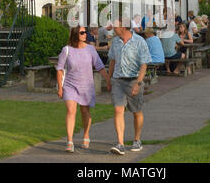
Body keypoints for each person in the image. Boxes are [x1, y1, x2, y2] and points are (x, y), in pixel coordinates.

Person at [56, 25, 110, 153]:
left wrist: (108, 79)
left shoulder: (90, 49)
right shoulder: (66, 50)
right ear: (76, 35)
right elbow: (59, 68)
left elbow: (99, 66)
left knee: (85, 112)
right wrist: (60, 87)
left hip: (86, 86)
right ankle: (69, 141)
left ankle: (86, 135)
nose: (85, 34)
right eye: (82, 32)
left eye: (85, 32)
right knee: (70, 110)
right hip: (70, 85)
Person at [107, 17, 152, 155]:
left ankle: (137, 139)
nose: (113, 28)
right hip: (118, 81)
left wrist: (138, 83)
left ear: (124, 27)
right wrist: (109, 79)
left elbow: (144, 64)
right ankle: (120, 143)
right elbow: (112, 61)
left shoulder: (139, 41)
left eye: (116, 26)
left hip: (134, 80)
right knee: (118, 110)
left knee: (136, 111)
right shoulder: (115, 42)